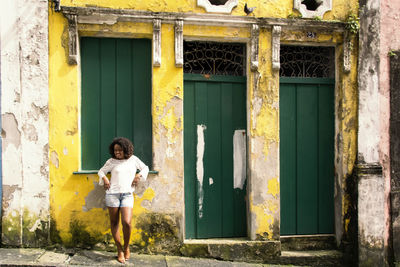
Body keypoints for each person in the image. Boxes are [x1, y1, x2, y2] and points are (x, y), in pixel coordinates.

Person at [98, 137, 149, 263]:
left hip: (127, 194)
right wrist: (104, 178)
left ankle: (127, 247)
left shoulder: (133, 159)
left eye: (120, 150)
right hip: (112, 195)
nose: (117, 153)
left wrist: (138, 175)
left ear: (126, 150)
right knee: (114, 223)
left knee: (127, 222)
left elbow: (145, 168)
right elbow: (101, 171)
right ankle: (119, 250)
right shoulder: (111, 161)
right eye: (115, 150)